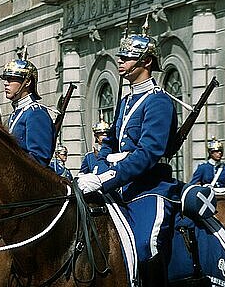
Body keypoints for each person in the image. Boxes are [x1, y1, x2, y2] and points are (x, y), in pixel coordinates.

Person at [77, 30, 180, 287]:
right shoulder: (126, 101)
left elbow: (148, 153)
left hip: (150, 187)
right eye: (120, 56)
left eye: (127, 57)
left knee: (146, 243)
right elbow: (109, 141)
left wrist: (106, 178)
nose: (120, 60)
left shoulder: (158, 101)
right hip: (122, 186)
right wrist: (99, 168)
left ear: (145, 62)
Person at [0, 57, 56, 167]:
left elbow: (39, 158)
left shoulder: (36, 113)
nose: (6, 83)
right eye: (6, 79)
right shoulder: (16, 114)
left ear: (27, 82)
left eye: (11, 79)